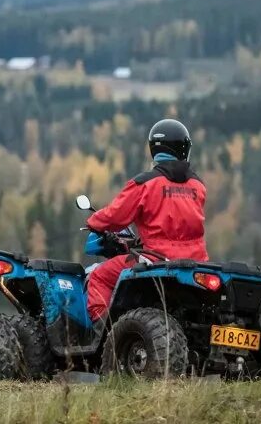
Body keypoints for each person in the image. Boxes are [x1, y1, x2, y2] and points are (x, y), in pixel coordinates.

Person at [85, 118, 208, 321]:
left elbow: (116, 216)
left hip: (155, 258)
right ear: (183, 148)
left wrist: (93, 221)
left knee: (99, 276)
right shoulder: (198, 186)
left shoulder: (145, 183)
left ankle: (108, 335)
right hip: (196, 262)